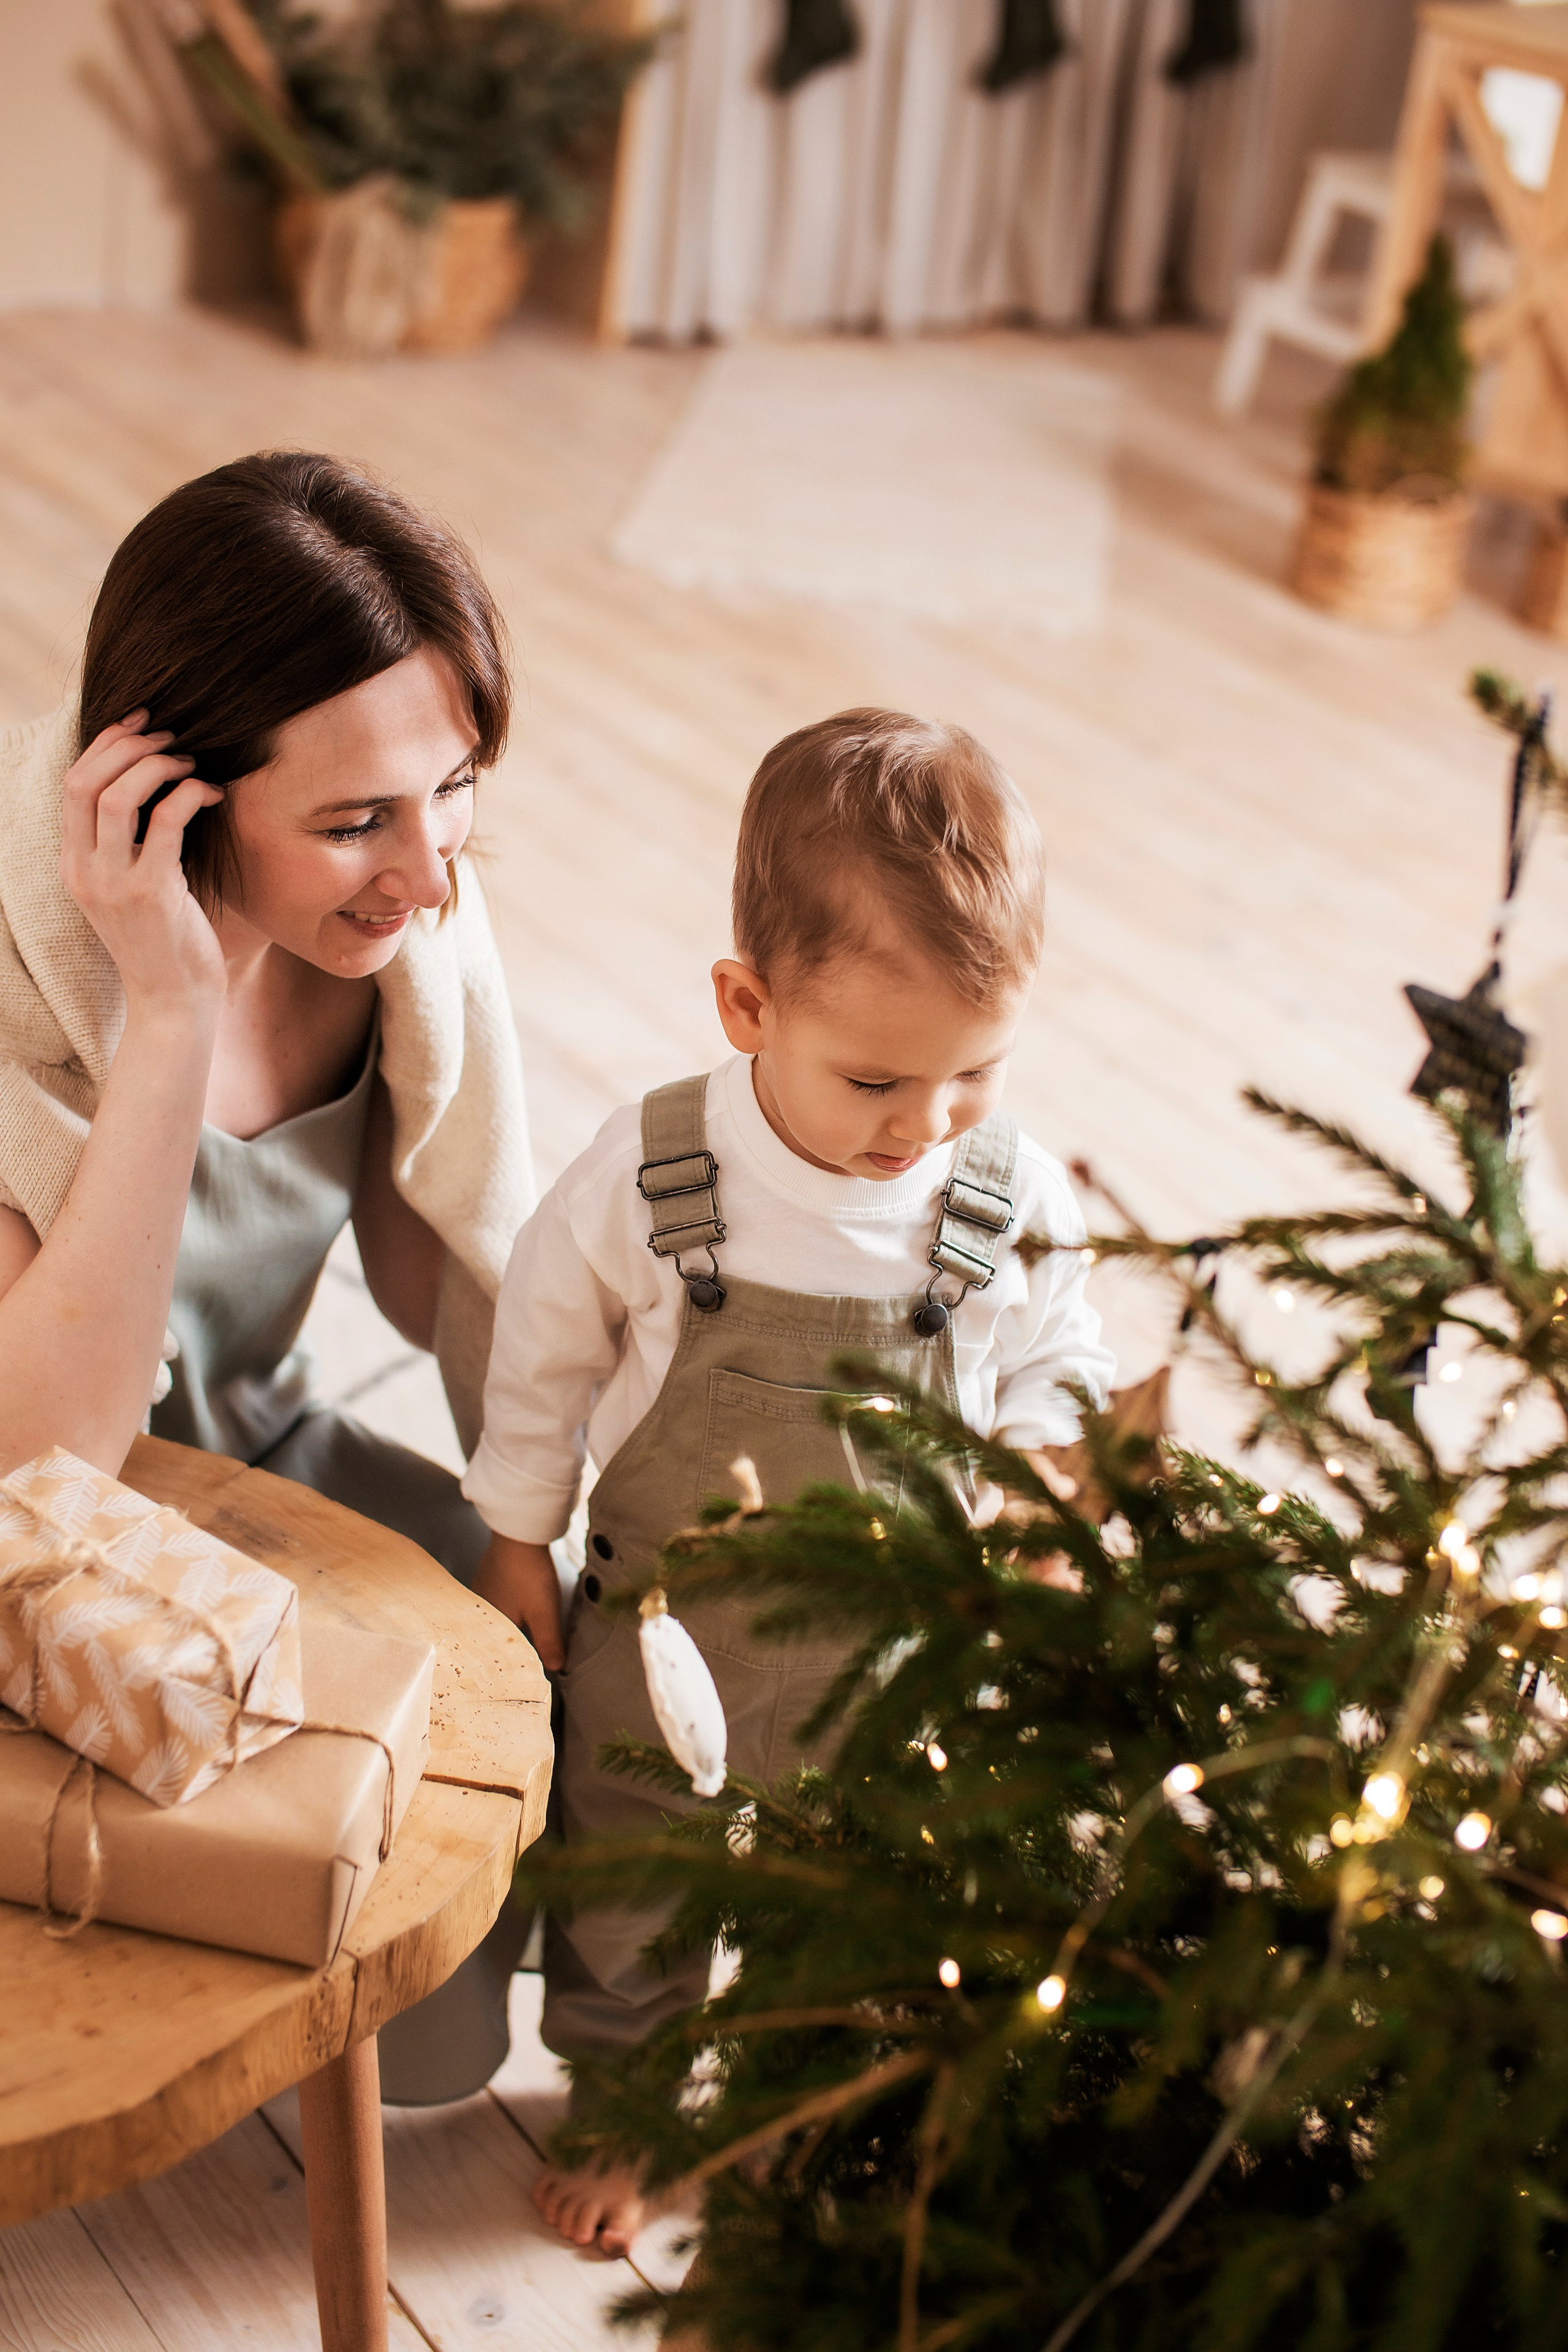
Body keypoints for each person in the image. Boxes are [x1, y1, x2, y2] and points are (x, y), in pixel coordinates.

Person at [464, 706, 1115, 2250]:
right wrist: (512, 1539)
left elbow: (1055, 1358)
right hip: (665, 1633)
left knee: (861, 1906)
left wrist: (1036, 1481)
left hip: (892, 1653)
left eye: (973, 1074)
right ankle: (625, 2113)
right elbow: (542, 1352)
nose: (927, 1124)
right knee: (630, 1892)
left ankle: (800, 2113)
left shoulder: (995, 1188)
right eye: (879, 1080)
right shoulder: (660, 1170)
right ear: (747, 1005)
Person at [0, 450, 533, 2100]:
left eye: (454, 788)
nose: (431, 869)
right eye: (355, 818)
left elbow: (442, 1258)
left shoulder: (401, 914)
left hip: (255, 1456)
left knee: (507, 1670)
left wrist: (534, 1529)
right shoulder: (32, 978)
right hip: (43, 1538)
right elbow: (47, 1455)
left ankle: (370, 2070)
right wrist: (170, 1012)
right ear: (173, 792)